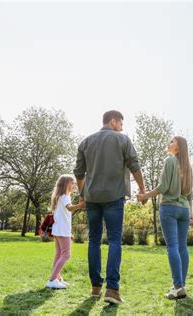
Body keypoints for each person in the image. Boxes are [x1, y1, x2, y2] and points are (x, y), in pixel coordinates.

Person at [74, 110, 147, 304]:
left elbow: (79, 173)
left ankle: (96, 287)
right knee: (115, 240)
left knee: (94, 240)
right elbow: (135, 165)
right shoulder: (123, 139)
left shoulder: (85, 142)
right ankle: (112, 289)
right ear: (113, 122)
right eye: (121, 124)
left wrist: (82, 195)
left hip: (92, 198)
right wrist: (142, 189)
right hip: (114, 196)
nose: (122, 128)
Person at [137, 136, 193, 300]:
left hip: (169, 207)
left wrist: (145, 195)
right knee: (182, 247)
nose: (168, 143)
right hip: (184, 209)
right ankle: (181, 285)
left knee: (173, 247)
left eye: (172, 141)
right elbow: (190, 193)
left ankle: (178, 286)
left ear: (179, 147)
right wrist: (190, 211)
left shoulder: (170, 161)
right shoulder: (188, 167)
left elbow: (163, 187)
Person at [46, 174, 84, 289]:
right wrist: (81, 205)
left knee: (58, 255)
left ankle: (57, 278)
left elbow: (64, 213)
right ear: (66, 184)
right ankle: (52, 279)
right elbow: (69, 208)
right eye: (72, 183)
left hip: (58, 230)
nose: (74, 185)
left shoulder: (59, 197)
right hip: (62, 230)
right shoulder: (65, 196)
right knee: (66, 254)